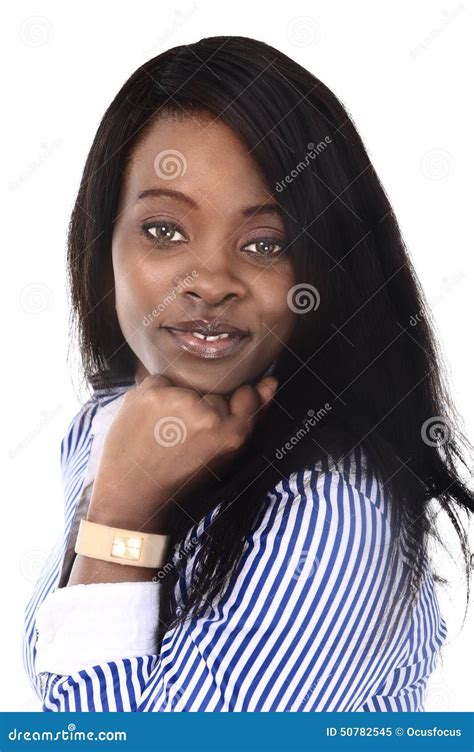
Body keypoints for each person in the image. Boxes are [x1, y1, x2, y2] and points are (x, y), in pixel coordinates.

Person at [22, 35, 472, 712]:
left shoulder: (330, 515)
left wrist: (121, 517)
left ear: (327, 265)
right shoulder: (117, 423)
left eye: (265, 243)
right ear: (102, 239)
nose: (209, 283)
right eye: (164, 230)